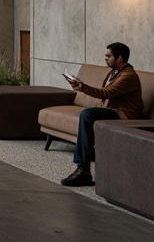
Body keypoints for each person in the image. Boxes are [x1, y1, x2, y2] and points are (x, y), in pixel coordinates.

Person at [60, 42, 143, 187]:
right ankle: (84, 164)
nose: (106, 58)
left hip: (125, 115)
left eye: (109, 56)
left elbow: (106, 93)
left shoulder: (129, 76)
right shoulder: (115, 72)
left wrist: (82, 87)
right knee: (87, 115)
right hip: (114, 111)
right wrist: (81, 86)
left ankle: (83, 169)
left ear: (120, 58)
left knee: (87, 114)